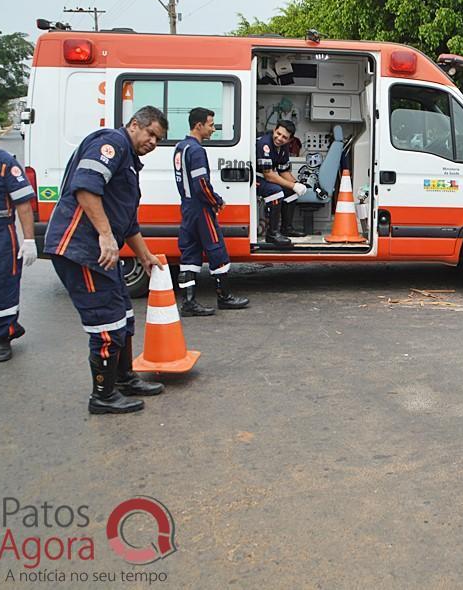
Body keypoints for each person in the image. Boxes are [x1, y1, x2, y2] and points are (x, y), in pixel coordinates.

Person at [43, 106, 168, 414]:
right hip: (81, 250)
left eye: (159, 139)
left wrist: (145, 256)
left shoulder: (129, 161)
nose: (153, 142)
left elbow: (128, 222)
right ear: (134, 124)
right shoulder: (111, 143)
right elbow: (86, 186)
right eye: (150, 133)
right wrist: (104, 234)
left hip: (97, 253)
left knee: (124, 315)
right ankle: (103, 395)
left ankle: (124, 378)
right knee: (106, 322)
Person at [174, 107, 249, 316]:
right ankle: (224, 297)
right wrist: (216, 201)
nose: (213, 129)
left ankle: (188, 303)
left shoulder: (180, 147)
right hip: (201, 209)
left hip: (187, 207)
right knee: (217, 250)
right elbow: (201, 184)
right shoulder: (197, 150)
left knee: (189, 253)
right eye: (210, 125)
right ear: (199, 126)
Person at [0, 110, 37, 362]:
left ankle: (2, 338)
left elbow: (23, 203)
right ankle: (8, 327)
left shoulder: (3, 162)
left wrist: (30, 240)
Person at [256, 120, 307, 244]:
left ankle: (286, 228)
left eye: (284, 137)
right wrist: (293, 185)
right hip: (254, 178)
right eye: (278, 133)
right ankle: (272, 234)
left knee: (291, 192)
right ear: (274, 130)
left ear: (289, 140)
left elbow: (283, 171)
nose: (279, 138)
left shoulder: (283, 147)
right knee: (276, 191)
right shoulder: (264, 143)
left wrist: (298, 184)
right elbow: (268, 175)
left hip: (267, 177)